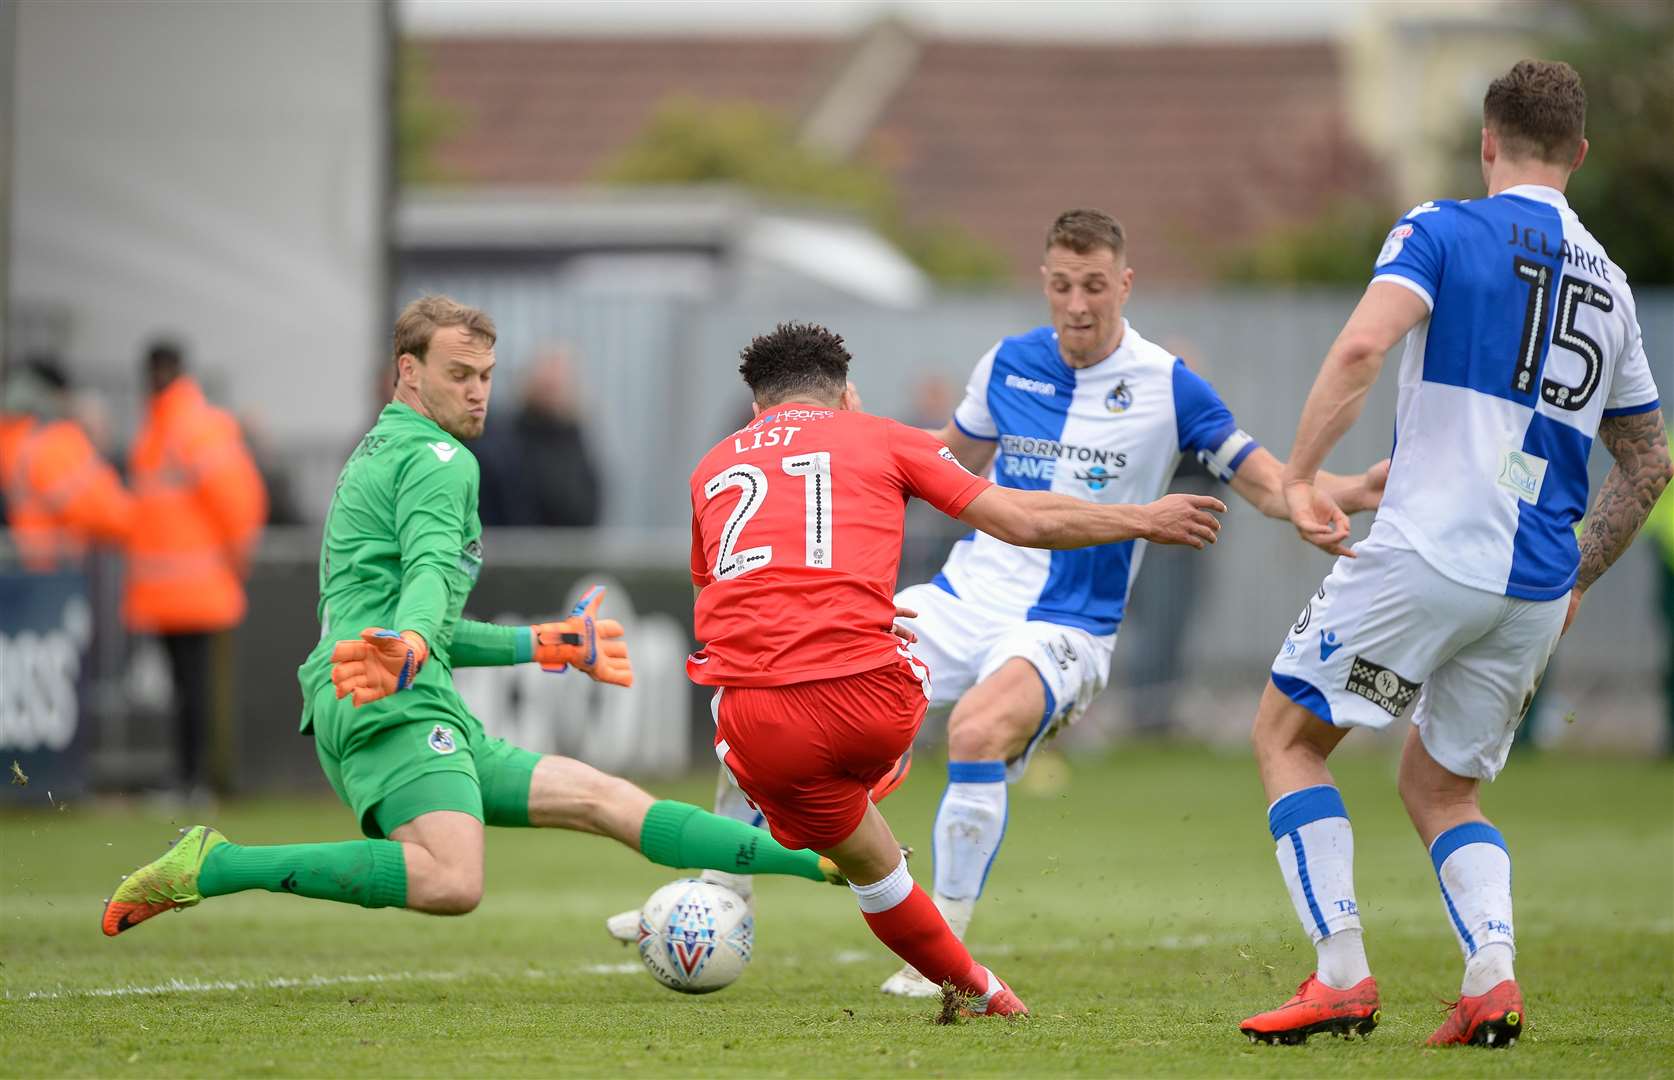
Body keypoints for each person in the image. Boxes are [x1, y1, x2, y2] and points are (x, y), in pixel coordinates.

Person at [100, 296, 857, 936]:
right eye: (458, 375)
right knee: (452, 880)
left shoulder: (377, 452)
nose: (477, 393)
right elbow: (428, 583)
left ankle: (821, 860)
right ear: (408, 372)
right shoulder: (438, 461)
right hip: (387, 699)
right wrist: (416, 640)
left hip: (393, 687)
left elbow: (414, 615)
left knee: (607, 800)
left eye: (487, 376)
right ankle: (216, 863)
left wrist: (540, 644)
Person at [1239, 60, 1668, 1048]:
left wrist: (1302, 477)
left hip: (1432, 553)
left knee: (1289, 738)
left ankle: (1340, 975)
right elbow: (1649, 459)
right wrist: (1576, 582)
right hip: (1532, 582)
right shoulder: (1612, 284)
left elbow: (1359, 350)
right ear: (1582, 155)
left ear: (1487, 141)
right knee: (1441, 785)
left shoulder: (1440, 228)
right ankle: (1492, 978)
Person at [678, 320, 1227, 1016]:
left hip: (755, 725)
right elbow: (1022, 520)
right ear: (847, 395)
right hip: (872, 705)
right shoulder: (882, 434)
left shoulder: (710, 468)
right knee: (911, 633)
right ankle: (878, 770)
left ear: (756, 408)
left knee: (873, 872)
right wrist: (1140, 517)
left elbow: (716, 596)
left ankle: (984, 989)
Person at [124, 341, 268, 797]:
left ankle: (197, 778)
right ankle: (192, 777)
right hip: (175, 586)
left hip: (192, 584)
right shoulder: (172, 427)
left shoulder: (179, 428)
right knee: (189, 689)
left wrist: (238, 551)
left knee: (194, 689)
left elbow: (237, 498)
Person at [0, 357, 133, 572]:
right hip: (58, 570)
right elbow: (110, 514)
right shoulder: (55, 443)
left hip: (25, 566)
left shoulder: (12, 440)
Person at [475, 347, 603, 528]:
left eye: (558, 384)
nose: (552, 390)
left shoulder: (574, 442)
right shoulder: (504, 439)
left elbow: (585, 506)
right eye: (547, 384)